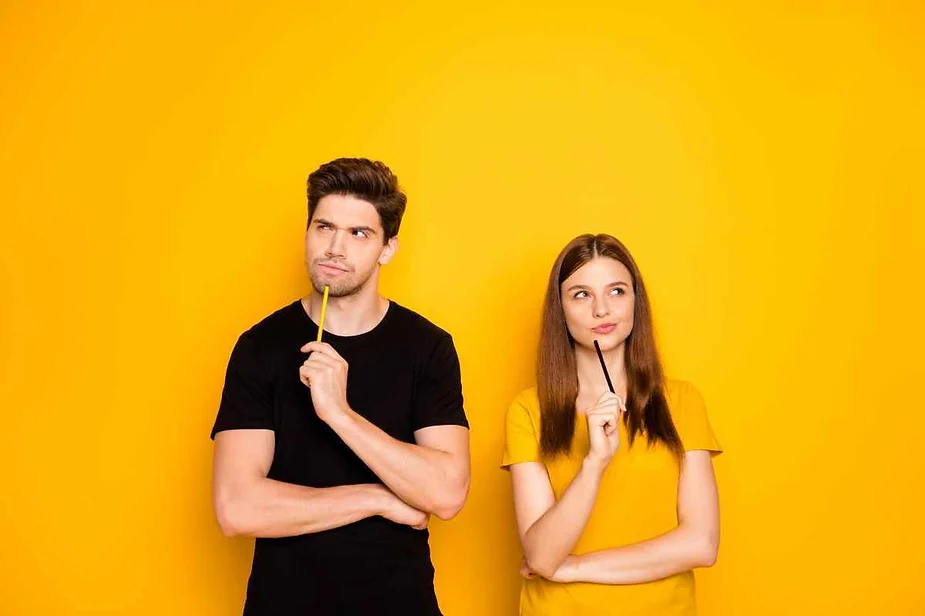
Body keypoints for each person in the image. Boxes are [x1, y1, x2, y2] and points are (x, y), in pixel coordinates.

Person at [211, 157, 470, 615]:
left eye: (358, 234)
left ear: (387, 248)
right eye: (323, 227)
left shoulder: (428, 347)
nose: (334, 248)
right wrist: (376, 499)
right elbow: (237, 508)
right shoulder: (260, 347)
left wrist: (339, 414)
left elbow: (446, 494)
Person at [503, 233, 722, 615]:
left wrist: (573, 568)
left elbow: (701, 544)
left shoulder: (682, 401)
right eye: (581, 294)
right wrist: (594, 464)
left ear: (637, 301)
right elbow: (540, 554)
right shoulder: (528, 410)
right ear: (560, 310)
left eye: (617, 291)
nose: (602, 309)